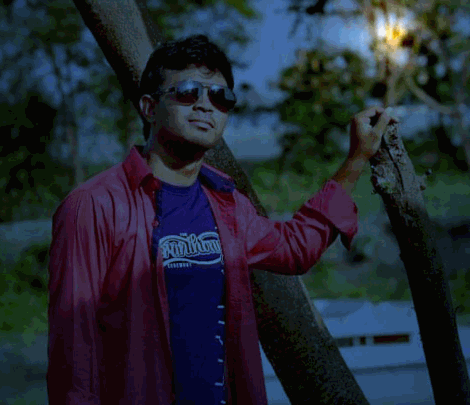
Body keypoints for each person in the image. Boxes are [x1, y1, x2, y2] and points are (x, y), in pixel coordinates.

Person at [46, 34, 398, 405]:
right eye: (187, 92)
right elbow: (74, 354)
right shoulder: (93, 206)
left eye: (220, 96)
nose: (205, 105)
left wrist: (356, 159)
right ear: (149, 107)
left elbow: (296, 248)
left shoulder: (227, 204)